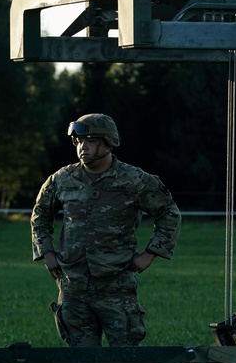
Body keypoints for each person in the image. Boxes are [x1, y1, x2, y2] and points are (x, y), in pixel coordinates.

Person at [31, 113, 181, 346]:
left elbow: (169, 213)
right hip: (73, 286)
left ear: (108, 142)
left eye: (90, 141)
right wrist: (46, 252)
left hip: (116, 285)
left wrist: (150, 253)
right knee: (81, 360)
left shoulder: (134, 179)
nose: (83, 147)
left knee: (126, 358)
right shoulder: (62, 179)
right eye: (79, 141)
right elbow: (40, 214)